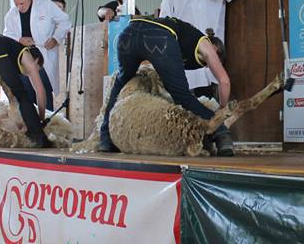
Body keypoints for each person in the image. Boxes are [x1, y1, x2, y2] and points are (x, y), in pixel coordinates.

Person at [99, 17, 235, 156]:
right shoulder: (206, 44)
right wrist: (222, 110)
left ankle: (105, 139)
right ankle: (222, 134)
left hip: (128, 34)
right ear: (215, 48)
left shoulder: (187, 41)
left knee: (120, 83)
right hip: (158, 38)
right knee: (183, 97)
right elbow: (224, 81)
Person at [159, 0, 252, 96]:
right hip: (187, 48)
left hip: (214, 44)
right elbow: (165, 15)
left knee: (216, 86)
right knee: (189, 92)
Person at [3, 0, 70, 97]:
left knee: (44, 92)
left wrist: (56, 38)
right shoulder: (11, 15)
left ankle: (45, 114)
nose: (19, 7)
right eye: (16, 4)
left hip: (43, 56)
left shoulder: (45, 5)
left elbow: (65, 21)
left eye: (22, 3)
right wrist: (19, 40)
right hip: (23, 59)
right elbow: (6, 34)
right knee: (26, 94)